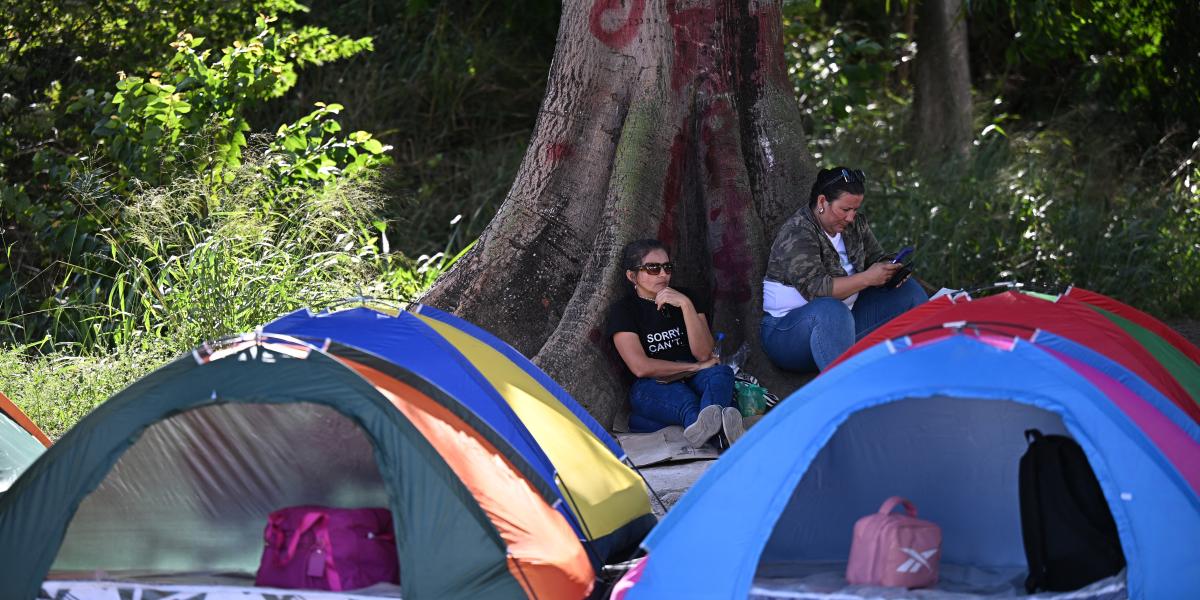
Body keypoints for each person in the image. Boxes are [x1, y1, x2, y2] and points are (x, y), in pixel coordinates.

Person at [761, 167, 927, 372]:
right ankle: (848, 394)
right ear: (822, 202)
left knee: (909, 292)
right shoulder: (798, 232)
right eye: (845, 210)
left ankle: (924, 369)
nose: (851, 217)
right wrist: (867, 278)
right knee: (831, 310)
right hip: (789, 332)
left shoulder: (855, 225)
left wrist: (891, 268)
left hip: (845, 323)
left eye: (855, 210)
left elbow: (875, 257)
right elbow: (817, 289)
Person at [607, 239, 742, 448]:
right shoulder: (623, 311)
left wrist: (686, 305)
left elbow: (704, 354)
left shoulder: (687, 297)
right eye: (653, 268)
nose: (663, 274)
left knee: (721, 373)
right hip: (653, 384)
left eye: (667, 267)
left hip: (696, 376)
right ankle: (724, 436)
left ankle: (713, 436)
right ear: (632, 276)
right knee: (690, 402)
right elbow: (641, 367)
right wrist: (693, 367)